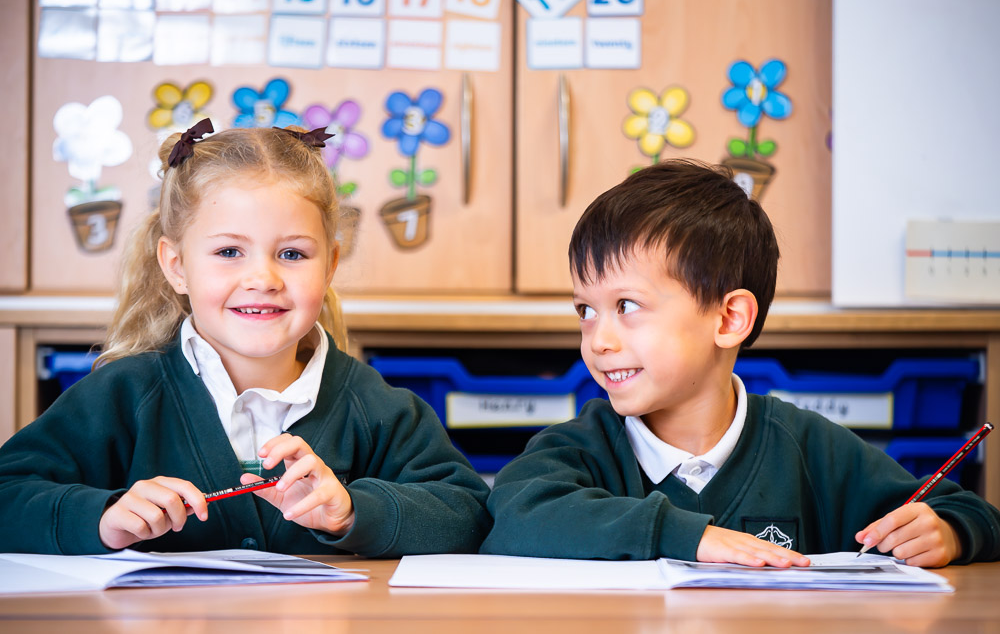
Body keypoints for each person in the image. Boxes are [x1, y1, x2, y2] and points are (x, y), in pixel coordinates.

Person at [0, 120, 491, 556]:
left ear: (331, 266)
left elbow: (469, 514)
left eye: (293, 255)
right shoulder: (121, 396)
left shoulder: (381, 410)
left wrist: (351, 512)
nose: (263, 278)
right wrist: (102, 518)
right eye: (230, 251)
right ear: (177, 267)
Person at [482, 159, 1000, 568]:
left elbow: (973, 513)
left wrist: (949, 532)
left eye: (627, 306)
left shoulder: (812, 450)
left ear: (729, 318)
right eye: (586, 311)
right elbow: (510, 513)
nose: (598, 340)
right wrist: (690, 536)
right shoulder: (582, 447)